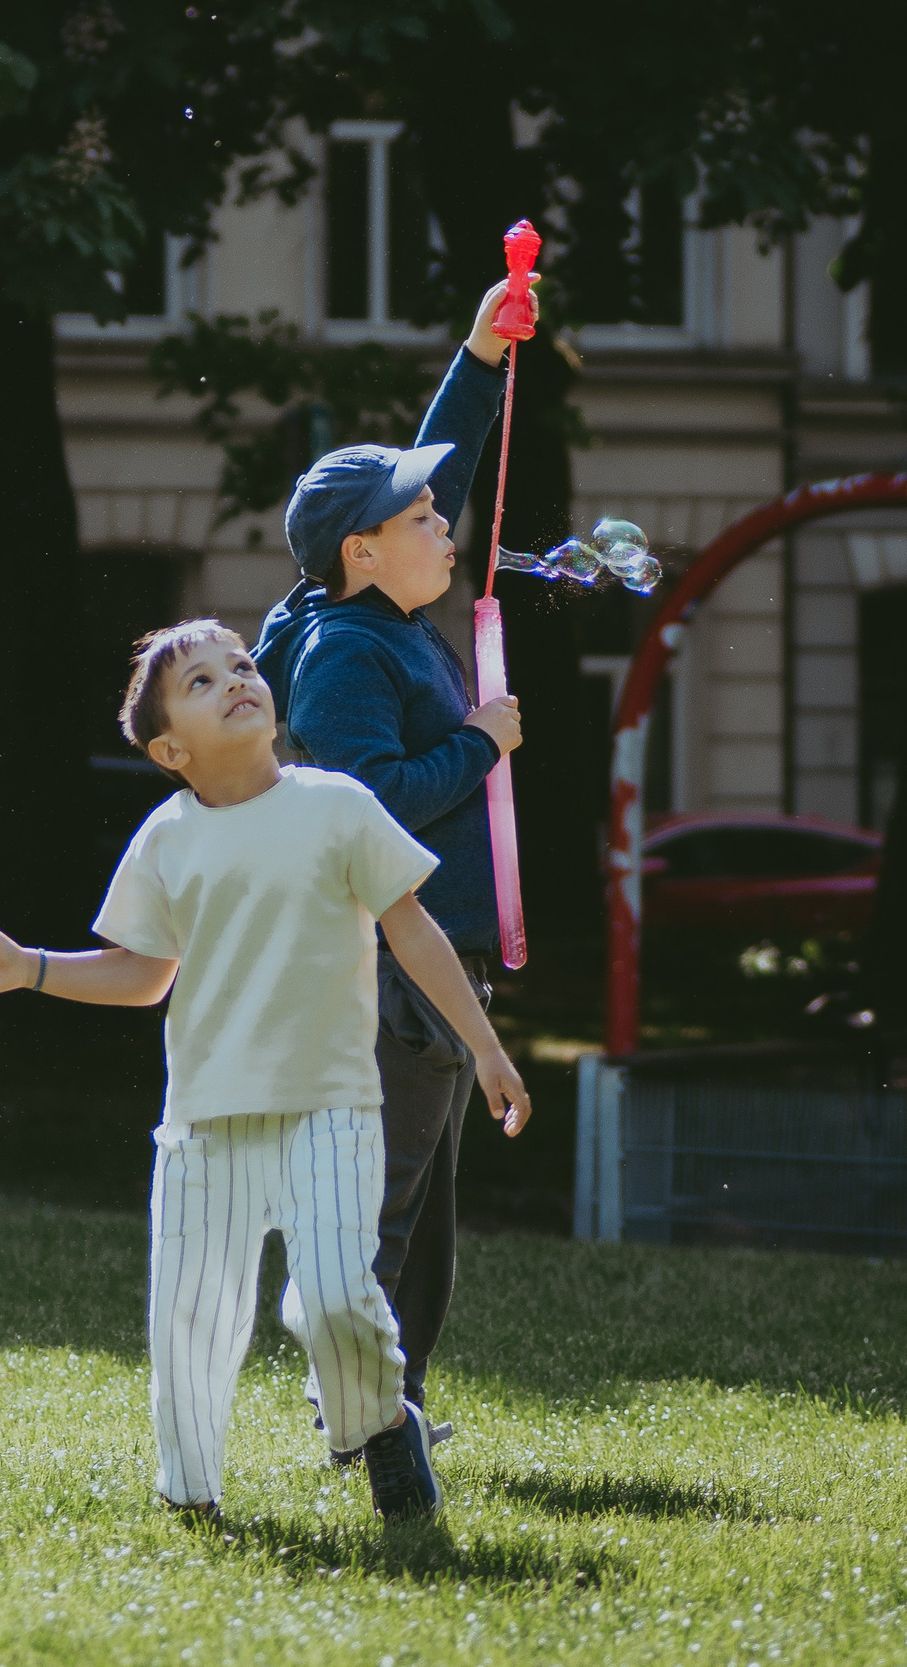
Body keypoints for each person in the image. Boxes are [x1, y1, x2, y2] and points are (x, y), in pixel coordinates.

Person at [0, 621, 529, 1523]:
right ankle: (191, 1499)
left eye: (242, 667)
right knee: (191, 1324)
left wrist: (484, 1045)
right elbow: (142, 975)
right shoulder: (166, 839)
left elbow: (411, 928)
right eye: (203, 682)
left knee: (333, 1297)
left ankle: (380, 1424)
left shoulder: (337, 805)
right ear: (171, 749)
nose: (237, 681)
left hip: (333, 1106)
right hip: (206, 1120)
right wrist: (32, 969)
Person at [249, 279, 534, 1456]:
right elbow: (363, 806)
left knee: (425, 1210)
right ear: (362, 551)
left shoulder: (366, 610)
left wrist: (478, 353)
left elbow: (446, 470)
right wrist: (480, 742)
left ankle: (388, 1397)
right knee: (385, 1195)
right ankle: (359, 1409)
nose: (447, 528)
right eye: (419, 523)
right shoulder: (343, 654)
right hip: (390, 961)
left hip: (425, 955)